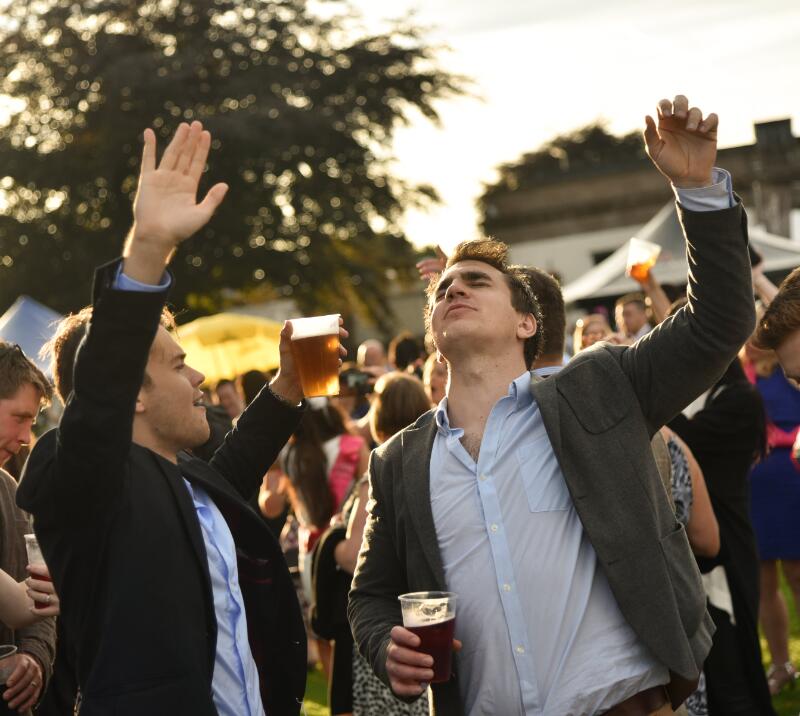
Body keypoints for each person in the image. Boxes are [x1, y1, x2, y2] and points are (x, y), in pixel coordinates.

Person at [349, 95, 754, 715]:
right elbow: (370, 596)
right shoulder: (399, 460)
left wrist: (697, 193)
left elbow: (719, 323)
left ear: (524, 322)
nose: (454, 287)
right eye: (444, 289)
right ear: (433, 332)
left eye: (476, 281)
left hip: (625, 703)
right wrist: (386, 645)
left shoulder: (599, 386)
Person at [17, 122, 346, 715]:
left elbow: (236, 466)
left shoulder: (187, 480)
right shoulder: (85, 479)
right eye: (178, 366)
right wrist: (148, 250)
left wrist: (289, 388)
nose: (199, 380)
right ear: (129, 394)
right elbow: (99, 402)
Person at [668, 350, 774, 715]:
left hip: (727, 538)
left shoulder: (741, 399)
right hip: (696, 542)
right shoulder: (700, 395)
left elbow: (693, 437)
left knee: (734, 651)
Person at [332, 372, 432, 716]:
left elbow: (353, 555)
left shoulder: (377, 474)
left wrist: (331, 544)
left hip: (390, 632)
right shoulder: (431, 466)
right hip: (422, 632)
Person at [0, 342, 59, 715]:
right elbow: (30, 602)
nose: (25, 438)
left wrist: (35, 658)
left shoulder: (10, 491)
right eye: (19, 417)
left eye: (31, 422)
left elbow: (39, 598)